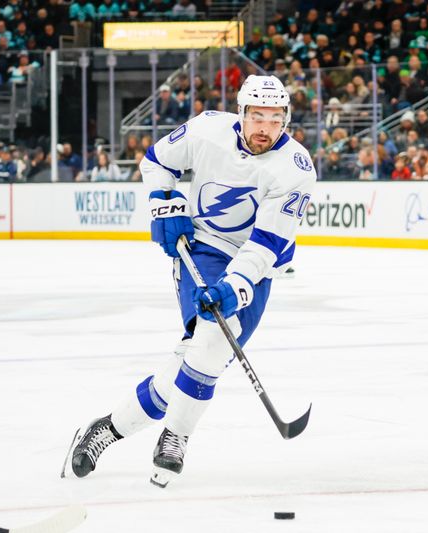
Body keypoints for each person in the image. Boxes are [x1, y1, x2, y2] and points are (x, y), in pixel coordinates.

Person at [68, 75, 316, 487]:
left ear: (286, 120)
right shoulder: (206, 130)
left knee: (194, 359)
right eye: (258, 117)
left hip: (257, 263)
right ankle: (176, 437)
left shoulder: (296, 169)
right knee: (215, 339)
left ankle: (105, 430)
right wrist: (162, 203)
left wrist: (237, 283)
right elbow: (156, 162)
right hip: (203, 247)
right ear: (241, 113)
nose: (265, 129)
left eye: (275, 120)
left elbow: (267, 242)